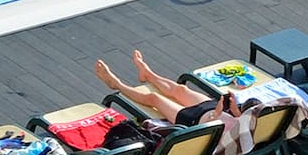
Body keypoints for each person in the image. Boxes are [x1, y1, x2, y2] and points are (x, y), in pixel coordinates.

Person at [92, 50, 228, 126]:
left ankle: (117, 84)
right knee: (181, 90)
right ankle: (148, 74)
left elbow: (229, 147)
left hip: (199, 122)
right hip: (218, 111)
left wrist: (214, 118)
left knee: (154, 99)